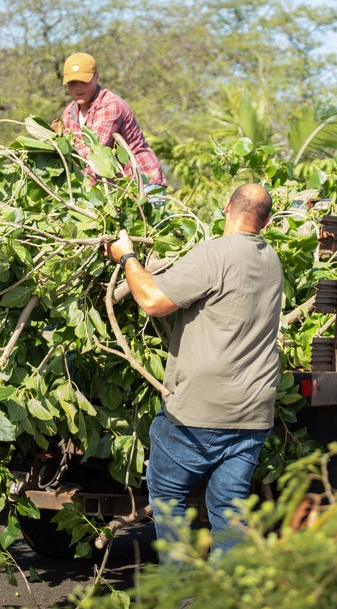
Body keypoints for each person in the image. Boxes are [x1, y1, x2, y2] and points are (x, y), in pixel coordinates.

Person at [103, 183, 283, 559]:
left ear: (226, 205)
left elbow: (152, 301)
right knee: (229, 511)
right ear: (265, 222)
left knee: (168, 499)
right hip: (252, 413)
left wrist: (127, 259)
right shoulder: (272, 261)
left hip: (200, 412)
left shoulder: (213, 254)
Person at [58, 51, 167, 187]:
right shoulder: (69, 113)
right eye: (72, 83)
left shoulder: (110, 105)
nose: (78, 88)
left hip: (143, 184)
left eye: (83, 81)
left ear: (96, 78)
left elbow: (94, 151)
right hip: (116, 190)